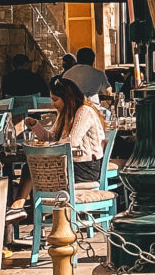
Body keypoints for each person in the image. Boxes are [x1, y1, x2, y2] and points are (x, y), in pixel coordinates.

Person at [7, 75, 109, 218]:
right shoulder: (64, 114)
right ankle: (23, 209)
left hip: (86, 167)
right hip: (71, 164)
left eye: (55, 99)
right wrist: (36, 126)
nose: (52, 103)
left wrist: (49, 146)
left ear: (67, 98)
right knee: (31, 167)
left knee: (32, 168)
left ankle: (21, 207)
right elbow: (51, 138)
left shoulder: (84, 111)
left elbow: (71, 142)